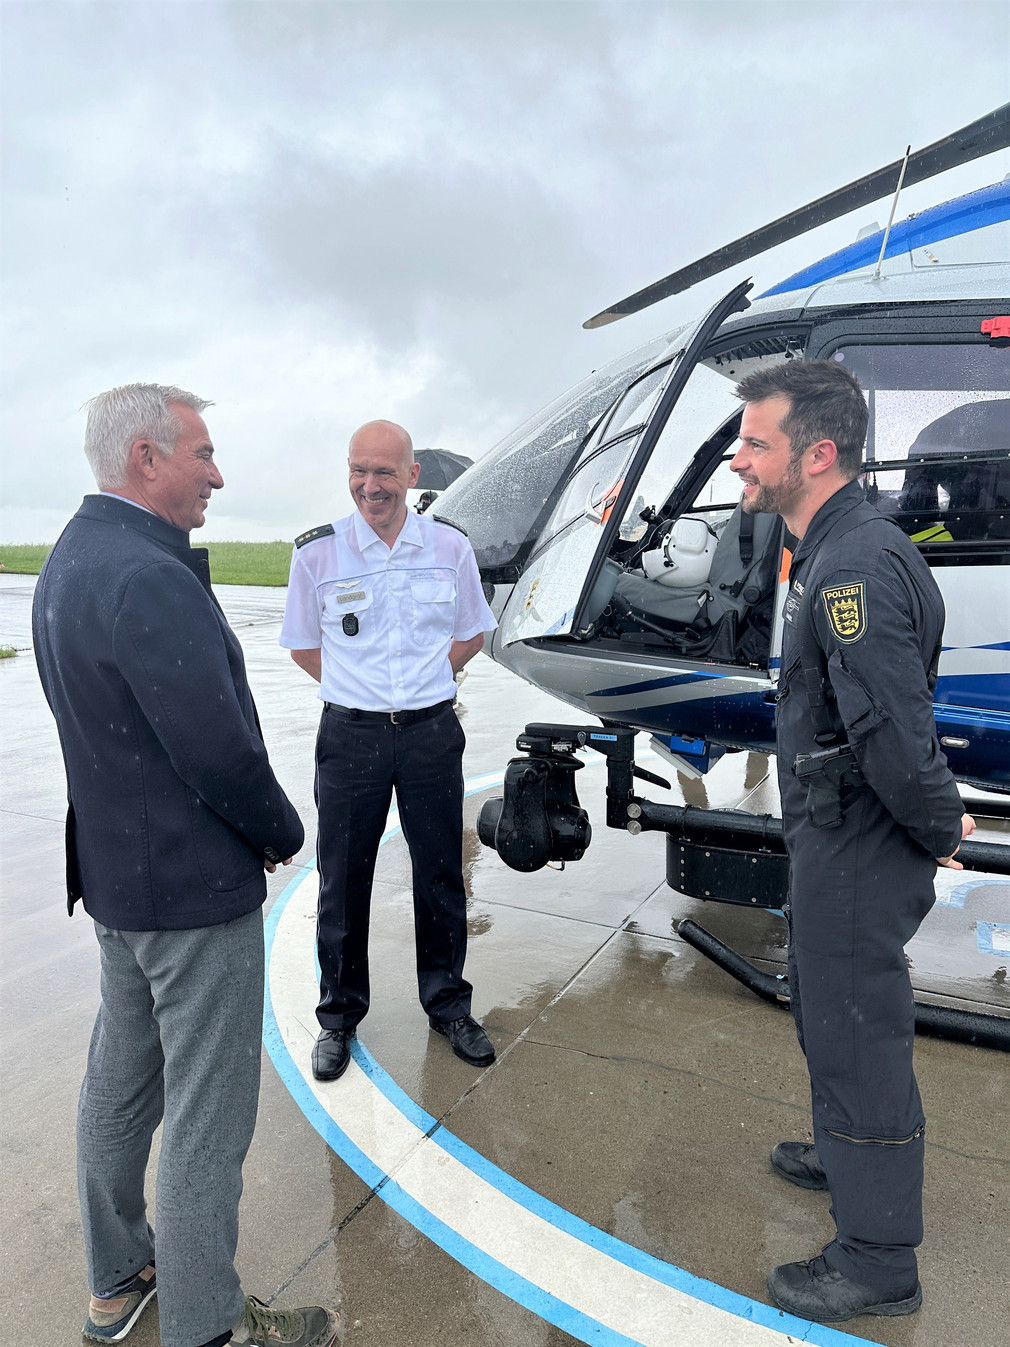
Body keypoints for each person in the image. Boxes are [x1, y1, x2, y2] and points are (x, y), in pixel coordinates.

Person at [32, 385, 339, 1347]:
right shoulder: (148, 577)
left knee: (117, 1092)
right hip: (189, 897)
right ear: (144, 459)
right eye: (202, 452)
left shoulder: (69, 560)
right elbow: (213, 749)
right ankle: (208, 1326)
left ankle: (116, 1281)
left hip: (121, 889)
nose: (217, 472)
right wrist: (283, 829)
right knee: (209, 1124)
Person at [729, 361, 974, 1325]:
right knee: (828, 1013)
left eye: (756, 441)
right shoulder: (827, 544)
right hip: (835, 832)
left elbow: (895, 735)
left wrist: (935, 825)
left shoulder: (857, 566)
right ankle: (842, 1153)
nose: (739, 457)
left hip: (862, 842)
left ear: (816, 453)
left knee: (858, 1029)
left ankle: (877, 1258)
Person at [281, 419, 496, 1082]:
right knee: (343, 878)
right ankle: (338, 1017)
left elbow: (472, 633)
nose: (369, 486)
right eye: (358, 470)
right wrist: (361, 689)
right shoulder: (318, 553)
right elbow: (301, 643)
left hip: (430, 731)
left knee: (440, 871)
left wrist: (428, 681)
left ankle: (448, 1004)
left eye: (383, 472)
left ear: (412, 476)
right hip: (352, 736)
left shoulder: (449, 548)